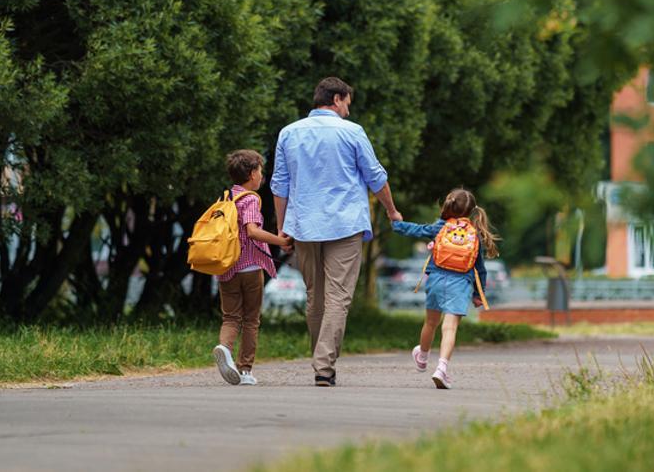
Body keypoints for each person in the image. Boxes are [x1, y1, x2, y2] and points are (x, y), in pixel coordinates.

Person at [270, 77, 402, 387]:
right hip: (344, 224)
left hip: (303, 225)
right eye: (347, 105)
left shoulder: (289, 133)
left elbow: (279, 184)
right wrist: (391, 210)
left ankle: (321, 361)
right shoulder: (352, 132)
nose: (348, 111)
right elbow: (376, 176)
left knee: (315, 296)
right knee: (338, 297)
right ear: (338, 98)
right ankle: (323, 365)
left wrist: (281, 226)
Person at [392, 188, 500, 389]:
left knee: (431, 323)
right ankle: (441, 369)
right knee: (449, 328)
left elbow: (416, 230)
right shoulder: (473, 234)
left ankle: (423, 357)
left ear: (449, 205)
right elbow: (480, 269)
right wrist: (478, 294)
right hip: (461, 284)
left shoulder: (440, 227)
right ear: (471, 211)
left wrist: (397, 224)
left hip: (436, 280)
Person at [212, 149, 291, 386]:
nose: (262, 176)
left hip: (226, 267)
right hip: (249, 266)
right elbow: (252, 231)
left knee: (230, 317)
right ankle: (245, 369)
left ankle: (224, 349)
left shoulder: (225, 198)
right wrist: (282, 241)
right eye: (260, 171)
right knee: (251, 319)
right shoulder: (250, 199)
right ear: (251, 174)